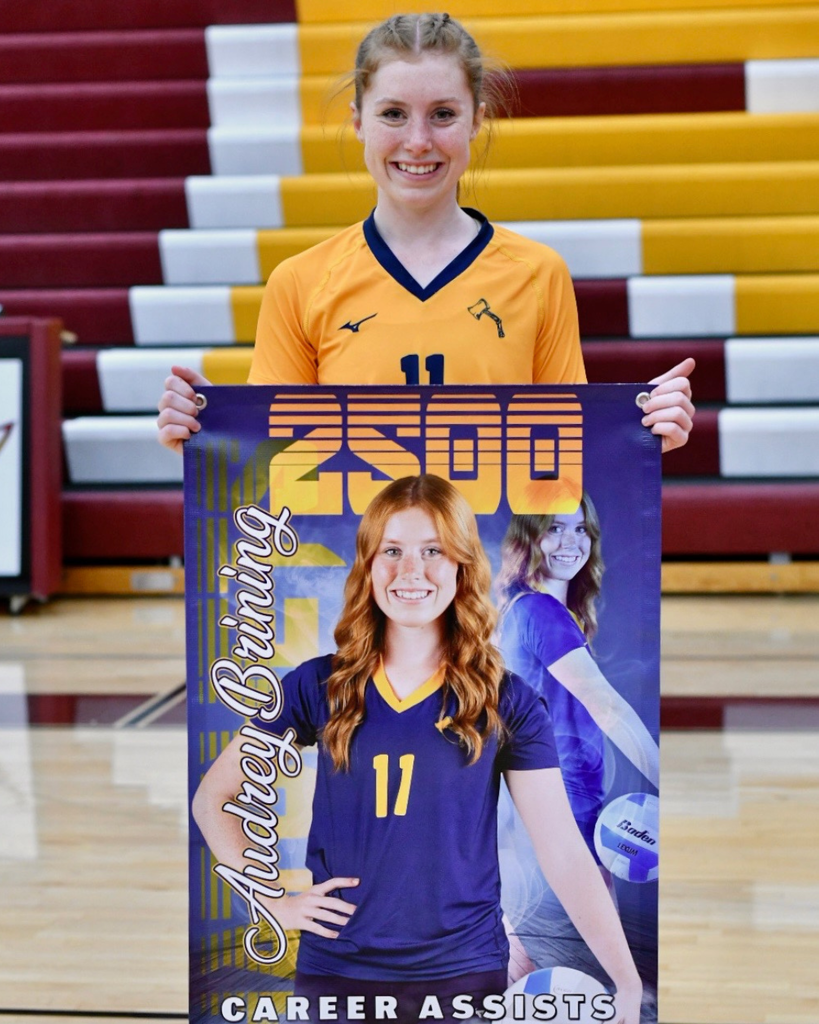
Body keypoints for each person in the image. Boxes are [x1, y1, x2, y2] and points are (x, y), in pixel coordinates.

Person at [193, 474, 644, 1024]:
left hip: (464, 971)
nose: (412, 571)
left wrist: (624, 979)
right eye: (393, 551)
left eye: (433, 550)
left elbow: (565, 854)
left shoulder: (506, 699)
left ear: (461, 565)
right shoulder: (316, 686)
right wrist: (272, 901)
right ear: (368, 566)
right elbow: (215, 797)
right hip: (340, 969)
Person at [157, 13, 694, 453]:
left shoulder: (537, 274)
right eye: (393, 113)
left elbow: (564, 457)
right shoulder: (300, 283)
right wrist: (213, 435)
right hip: (361, 578)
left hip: (487, 578)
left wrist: (643, 439)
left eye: (442, 114)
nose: (418, 141)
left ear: (476, 121)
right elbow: (277, 465)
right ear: (358, 121)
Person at [495, 497, 659, 982]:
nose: (571, 542)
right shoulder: (541, 612)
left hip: (558, 806)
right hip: (554, 808)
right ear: (529, 538)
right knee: (552, 967)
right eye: (554, 529)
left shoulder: (529, 610)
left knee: (532, 967)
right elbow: (606, 707)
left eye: (580, 529)